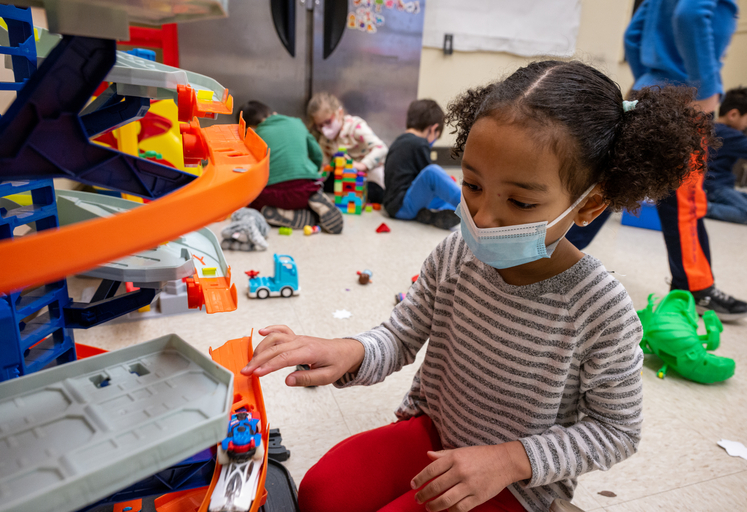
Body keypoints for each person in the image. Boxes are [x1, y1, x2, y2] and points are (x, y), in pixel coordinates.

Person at [241, 61, 714, 512]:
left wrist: (511, 459)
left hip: (514, 483)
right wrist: (351, 350)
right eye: (471, 185)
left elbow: (617, 430)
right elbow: (401, 335)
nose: (484, 218)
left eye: (521, 201)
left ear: (588, 207)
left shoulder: (600, 309)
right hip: (433, 435)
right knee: (323, 494)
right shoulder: (456, 251)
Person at [566, 0, 747, 321]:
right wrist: (706, 89)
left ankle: (545, 257)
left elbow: (634, 35)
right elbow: (691, 15)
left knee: (612, 182)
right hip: (685, 101)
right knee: (684, 202)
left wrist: (650, 81)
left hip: (647, 91)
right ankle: (696, 290)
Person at [238, 101, 343, 234]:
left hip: (272, 196)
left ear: (249, 128)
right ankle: (314, 200)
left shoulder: (255, 134)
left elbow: (249, 172)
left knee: (254, 203)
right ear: (273, 114)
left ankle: (281, 213)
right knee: (313, 187)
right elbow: (317, 153)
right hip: (305, 191)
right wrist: (313, 172)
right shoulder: (297, 123)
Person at [383, 99, 462, 230]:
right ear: (433, 128)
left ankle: (430, 215)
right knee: (433, 172)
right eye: (436, 136)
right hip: (402, 205)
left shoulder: (399, 141)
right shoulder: (419, 143)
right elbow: (430, 180)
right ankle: (470, 207)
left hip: (395, 206)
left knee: (446, 198)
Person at [307, 92, 388, 204]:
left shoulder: (355, 127)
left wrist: (362, 165)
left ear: (340, 113)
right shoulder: (325, 140)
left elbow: (381, 148)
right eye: (320, 126)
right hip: (347, 177)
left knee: (375, 193)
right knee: (330, 186)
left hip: (369, 173)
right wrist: (316, 182)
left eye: (328, 122)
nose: (325, 129)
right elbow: (324, 167)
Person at [704, 87, 747, 224]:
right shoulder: (730, 136)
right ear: (733, 114)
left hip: (713, 186)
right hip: (717, 187)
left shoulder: (713, 128)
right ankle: (702, 207)